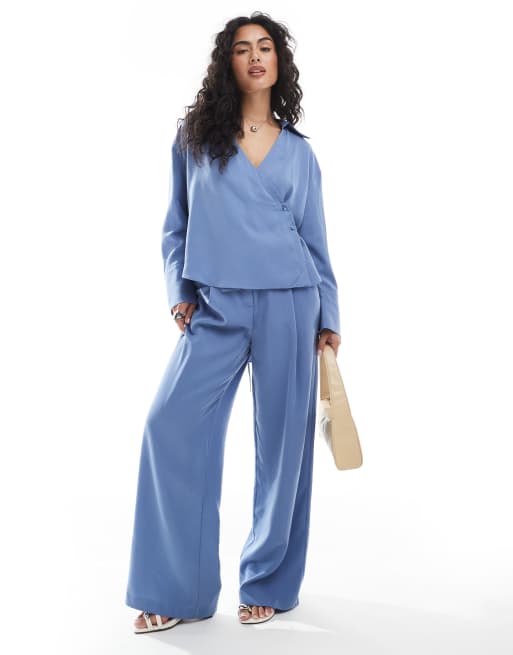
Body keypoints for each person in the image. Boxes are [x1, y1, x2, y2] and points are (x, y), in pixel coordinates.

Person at [126, 12, 342, 634]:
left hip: (291, 303)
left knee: (283, 450)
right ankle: (177, 588)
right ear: (228, 62)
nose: (254, 56)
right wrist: (180, 293)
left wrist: (329, 317)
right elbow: (176, 225)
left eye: (265, 47)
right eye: (242, 48)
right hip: (216, 307)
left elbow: (316, 241)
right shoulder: (196, 138)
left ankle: (267, 582)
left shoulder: (299, 153)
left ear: (278, 62)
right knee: (169, 426)